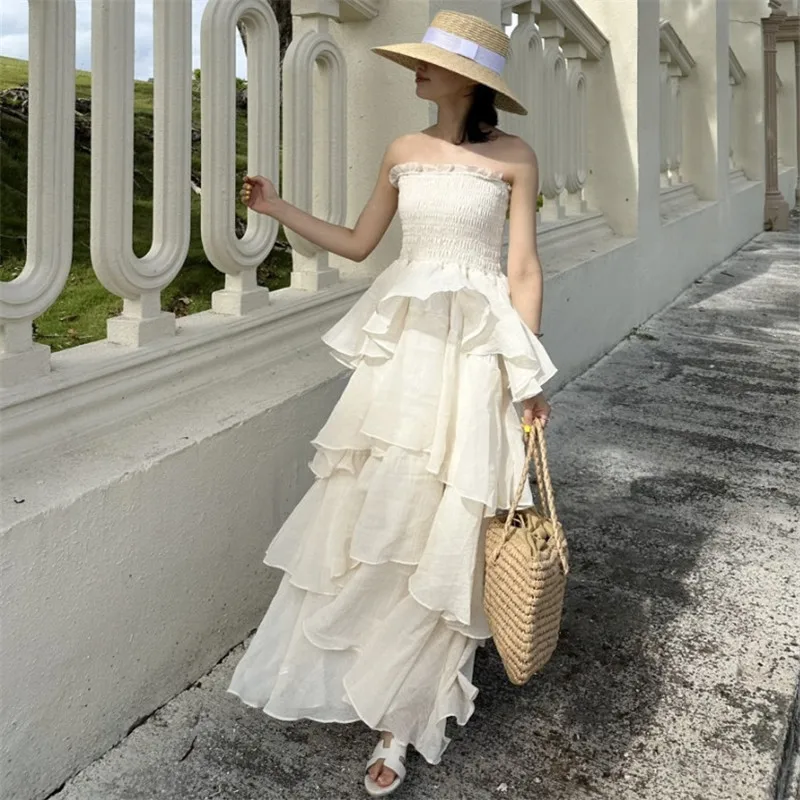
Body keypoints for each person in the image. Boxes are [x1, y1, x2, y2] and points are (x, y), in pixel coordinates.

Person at [227, 10, 556, 797]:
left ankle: (402, 723)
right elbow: (357, 242)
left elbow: (522, 271)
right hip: (405, 354)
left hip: (476, 355)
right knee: (383, 512)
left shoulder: (515, 157)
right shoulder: (404, 150)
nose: (416, 71)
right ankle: (368, 673)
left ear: (467, 80)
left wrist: (528, 376)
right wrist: (276, 209)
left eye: (428, 63)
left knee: (453, 520)